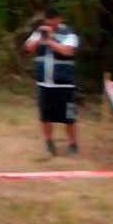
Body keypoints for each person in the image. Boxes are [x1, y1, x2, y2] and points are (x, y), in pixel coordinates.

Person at [24, 8, 80, 156]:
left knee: (69, 117)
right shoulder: (39, 32)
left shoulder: (69, 34)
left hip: (64, 83)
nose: (49, 24)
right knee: (45, 116)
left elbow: (67, 51)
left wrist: (49, 40)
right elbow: (29, 48)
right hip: (44, 83)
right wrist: (39, 38)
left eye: (52, 20)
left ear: (59, 19)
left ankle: (73, 144)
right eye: (47, 20)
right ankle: (49, 143)